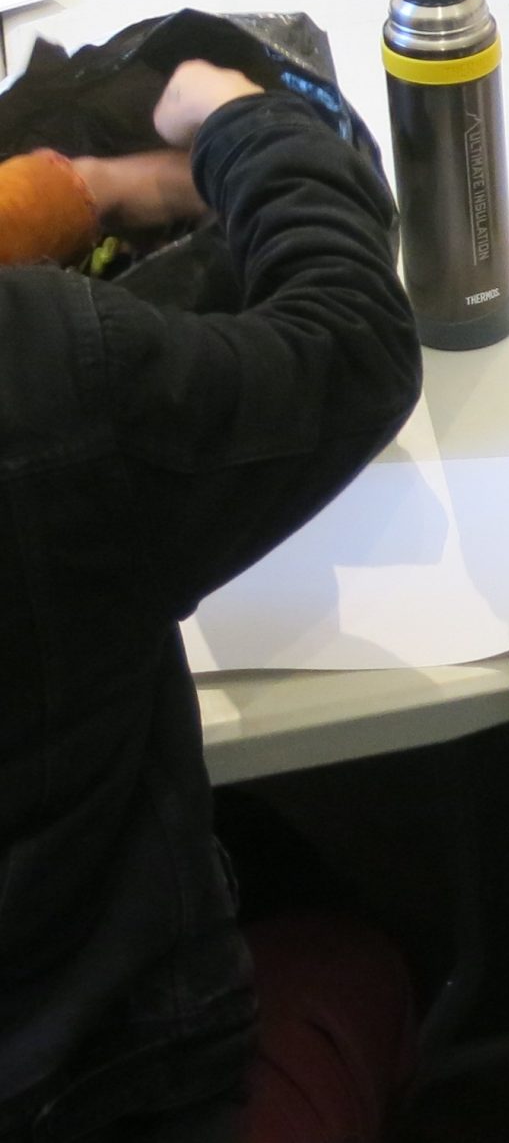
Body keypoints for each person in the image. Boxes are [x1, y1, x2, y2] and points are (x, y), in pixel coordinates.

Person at [0, 60, 423, 1139]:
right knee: (362, 944)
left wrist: (79, 191)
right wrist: (247, 126)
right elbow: (350, 342)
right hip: (87, 1078)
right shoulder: (46, 377)